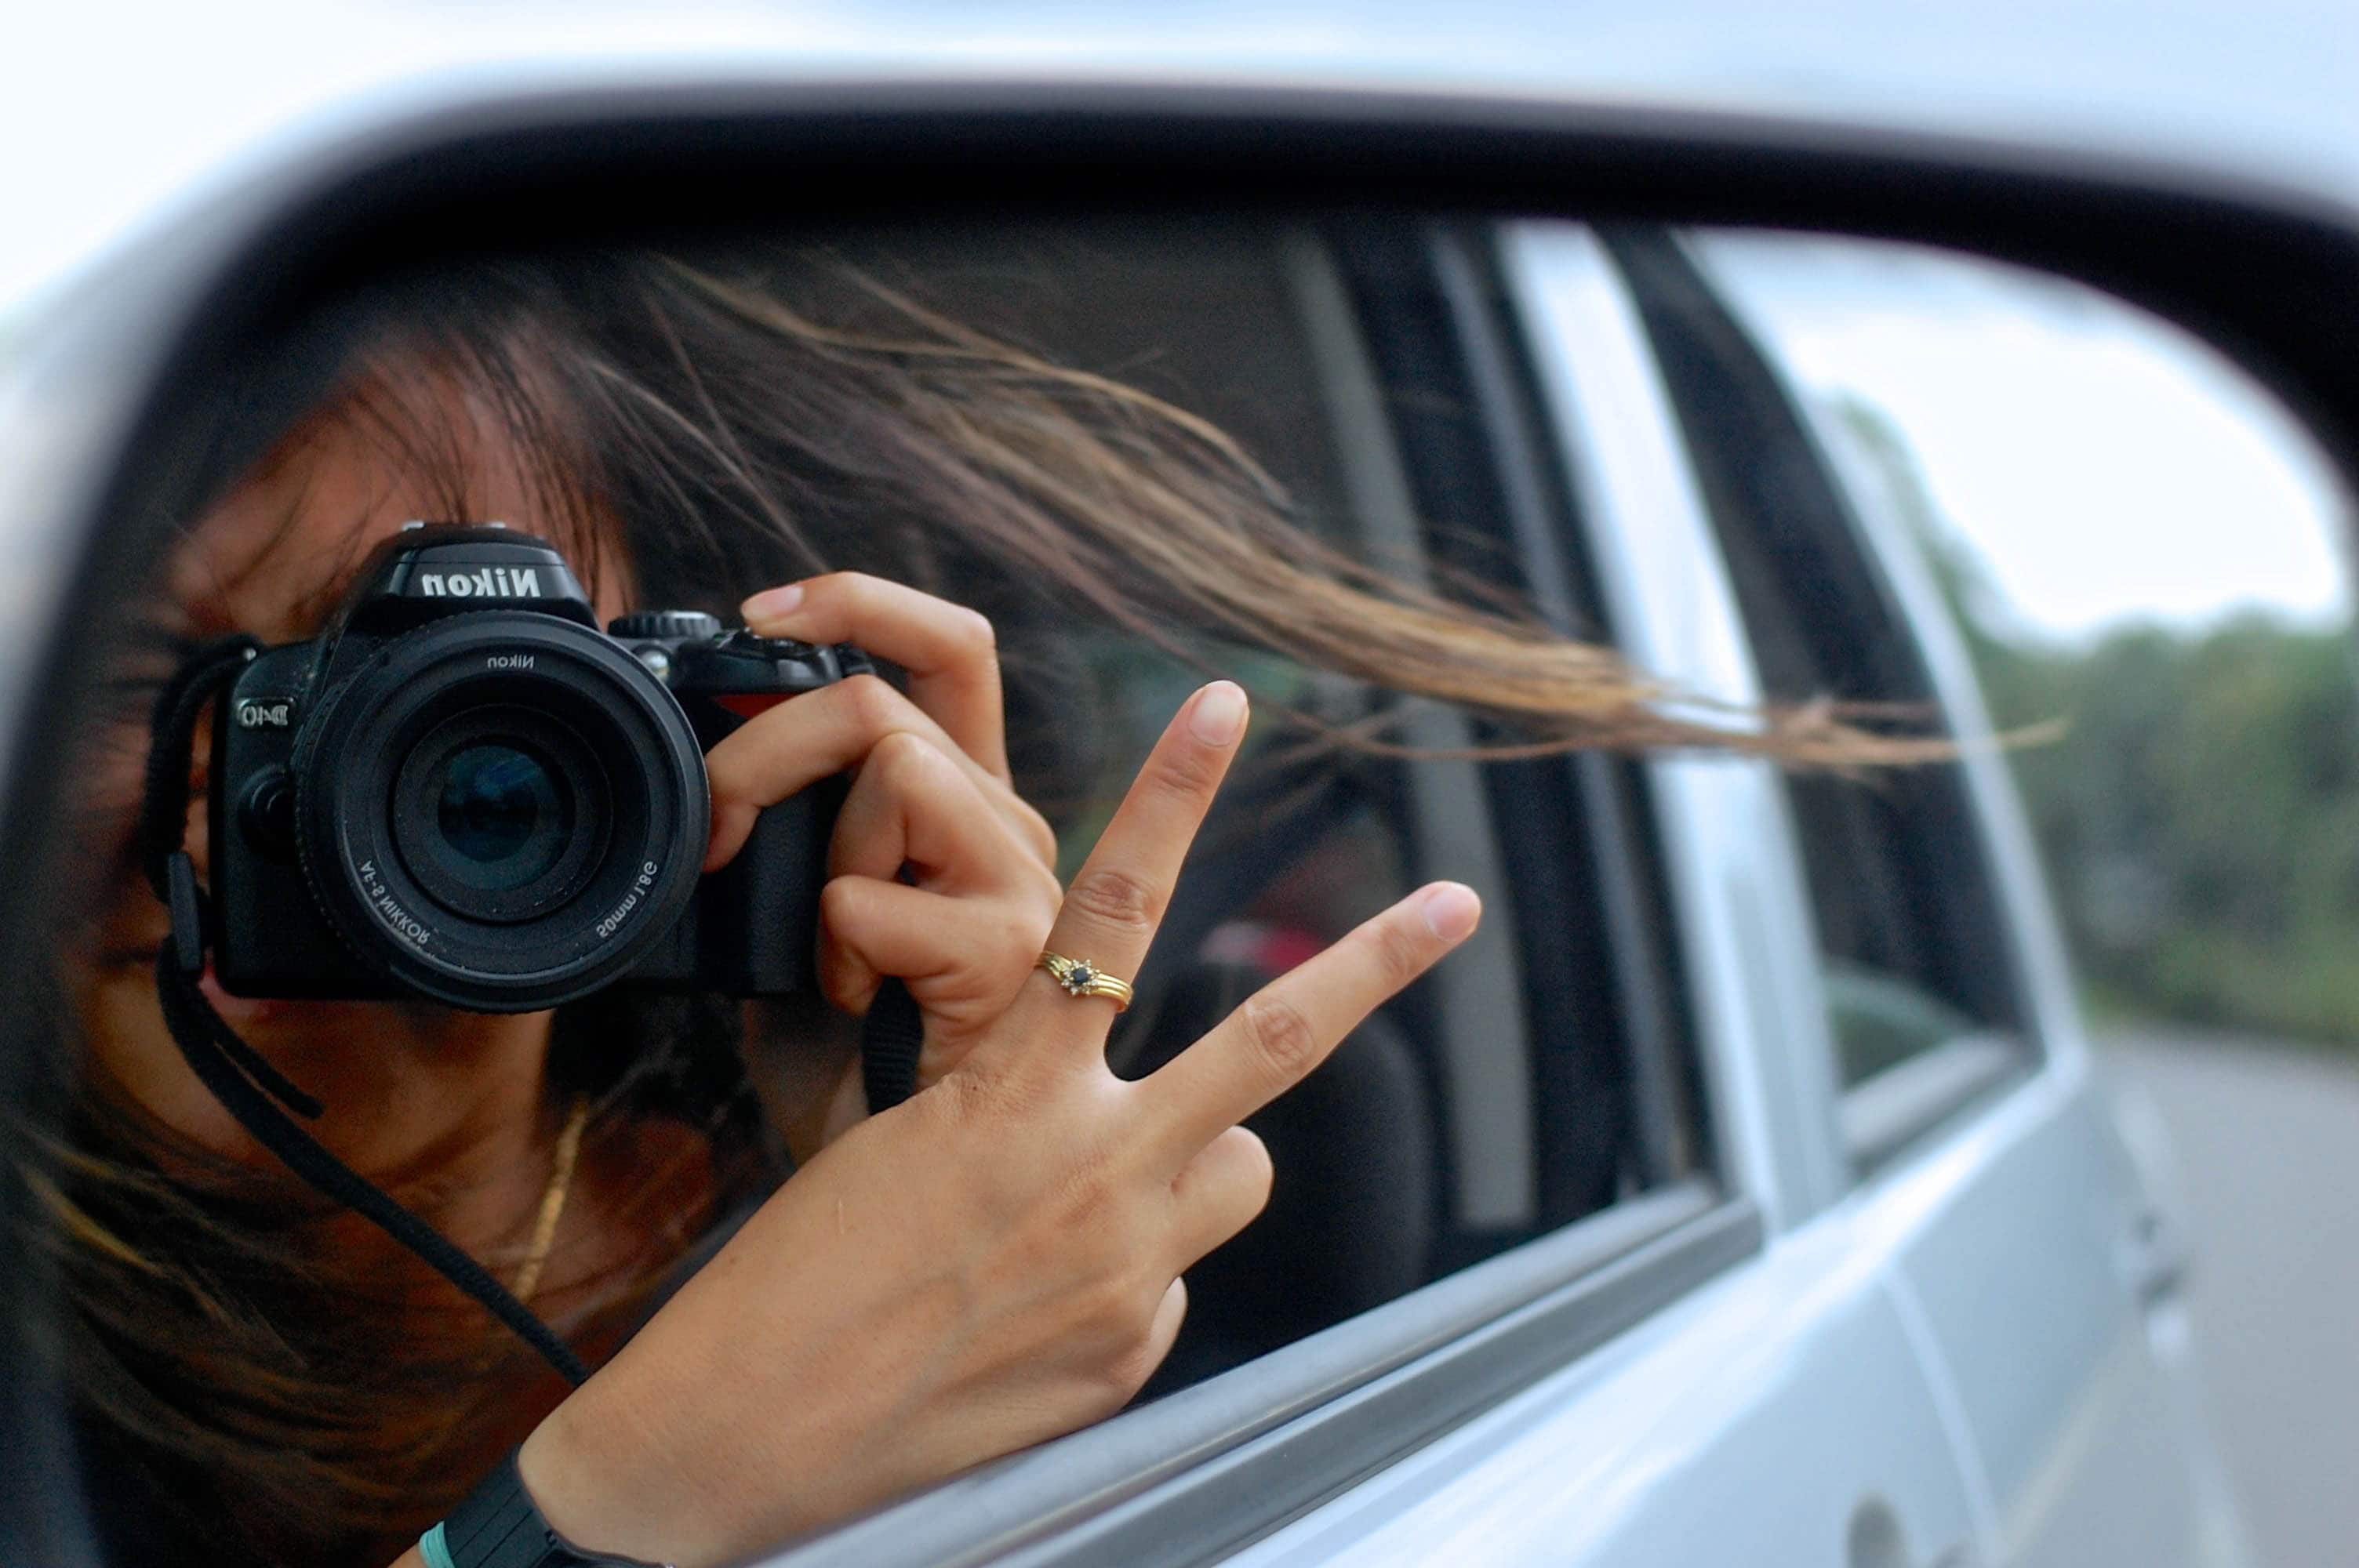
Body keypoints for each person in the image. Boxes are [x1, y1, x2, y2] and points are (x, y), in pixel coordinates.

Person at [43, 245, 1911, 1568]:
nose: (263, 797)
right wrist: (625, 1503)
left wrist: (941, 1173)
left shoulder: (866, 1202)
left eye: (496, 718)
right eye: (147, 666)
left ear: (690, 751)